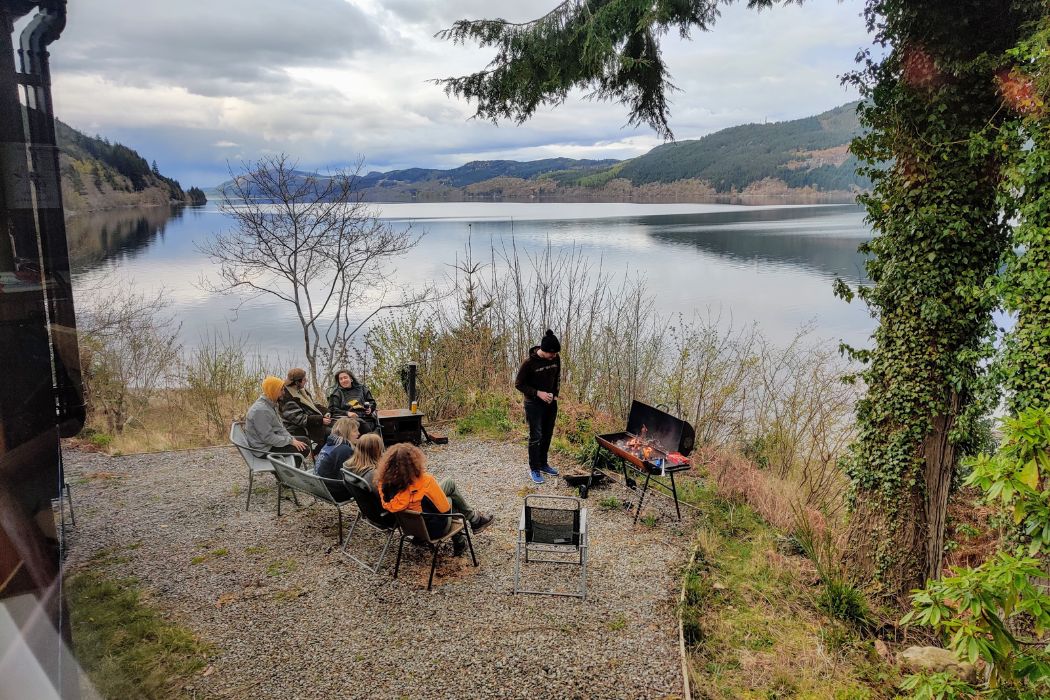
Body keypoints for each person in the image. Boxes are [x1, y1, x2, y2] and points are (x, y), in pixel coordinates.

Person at [376, 443, 494, 555]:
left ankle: (472, 524)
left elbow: (404, 496)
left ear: (388, 463)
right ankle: (467, 531)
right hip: (434, 530)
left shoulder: (383, 485)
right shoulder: (425, 482)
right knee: (451, 499)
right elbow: (445, 510)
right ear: (413, 462)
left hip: (413, 528)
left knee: (449, 484)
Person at [515, 329, 562, 484]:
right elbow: (519, 384)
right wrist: (538, 393)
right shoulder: (529, 363)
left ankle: (543, 464)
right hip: (533, 404)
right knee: (536, 436)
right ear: (544, 350)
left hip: (550, 403)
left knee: (547, 435)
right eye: (552, 354)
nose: (554, 357)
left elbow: (557, 378)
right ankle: (534, 469)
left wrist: (555, 394)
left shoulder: (556, 359)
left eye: (555, 354)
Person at [244, 376, 309, 458]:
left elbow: (280, 428)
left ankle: (286, 468)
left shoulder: (270, 404)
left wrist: (291, 439)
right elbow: (268, 438)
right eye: (281, 390)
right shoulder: (261, 410)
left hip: (268, 443)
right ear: (273, 391)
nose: (284, 392)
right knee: (304, 449)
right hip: (263, 449)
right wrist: (290, 441)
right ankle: (283, 470)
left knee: (305, 441)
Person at [280, 368, 331, 456]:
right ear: (297, 382)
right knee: (331, 433)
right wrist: (320, 420)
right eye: (304, 379)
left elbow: (313, 404)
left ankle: (320, 452)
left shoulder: (301, 390)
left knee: (338, 426)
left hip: (311, 422)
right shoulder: (287, 397)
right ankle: (320, 454)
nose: (306, 380)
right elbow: (299, 419)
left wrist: (326, 412)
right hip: (296, 428)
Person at [313, 415, 360, 500]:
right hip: (334, 493)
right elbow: (349, 477)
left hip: (322, 488)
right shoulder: (344, 449)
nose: (358, 434)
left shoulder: (330, 443)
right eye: (355, 431)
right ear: (347, 432)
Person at [327, 368, 379, 434]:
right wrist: (347, 413)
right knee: (358, 423)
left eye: (345, 378)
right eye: (341, 379)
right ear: (339, 382)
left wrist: (370, 408)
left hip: (365, 417)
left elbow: (372, 402)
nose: (343, 380)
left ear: (351, 379)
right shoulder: (336, 393)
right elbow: (333, 409)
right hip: (347, 420)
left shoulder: (362, 388)